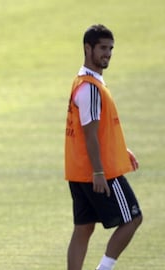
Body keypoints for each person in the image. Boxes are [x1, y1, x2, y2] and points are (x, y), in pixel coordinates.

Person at [64, 25, 143, 270]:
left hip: (78, 170)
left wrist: (121, 150)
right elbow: (90, 135)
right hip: (99, 172)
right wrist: (99, 172)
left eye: (110, 49)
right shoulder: (90, 88)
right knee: (132, 218)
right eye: (102, 48)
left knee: (84, 228)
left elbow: (99, 130)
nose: (107, 53)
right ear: (88, 48)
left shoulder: (86, 83)